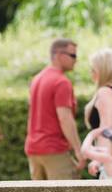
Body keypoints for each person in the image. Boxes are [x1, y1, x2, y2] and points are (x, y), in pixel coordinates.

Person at [24, 38, 84, 180]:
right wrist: (78, 150)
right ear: (58, 55)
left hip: (33, 149)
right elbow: (65, 118)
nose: (76, 60)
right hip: (54, 149)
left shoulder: (37, 78)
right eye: (73, 55)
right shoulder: (61, 82)